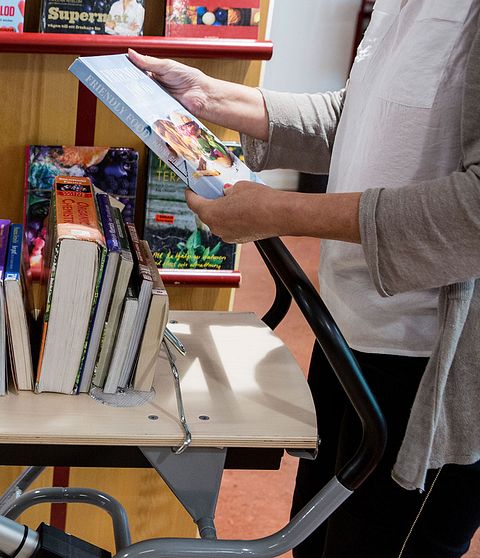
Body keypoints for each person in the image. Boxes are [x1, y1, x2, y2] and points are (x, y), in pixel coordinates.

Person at [126, 0, 480, 556]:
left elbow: (474, 211)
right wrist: (210, 98)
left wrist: (277, 212)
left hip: (431, 367)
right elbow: (360, 118)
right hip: (350, 334)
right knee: (315, 541)